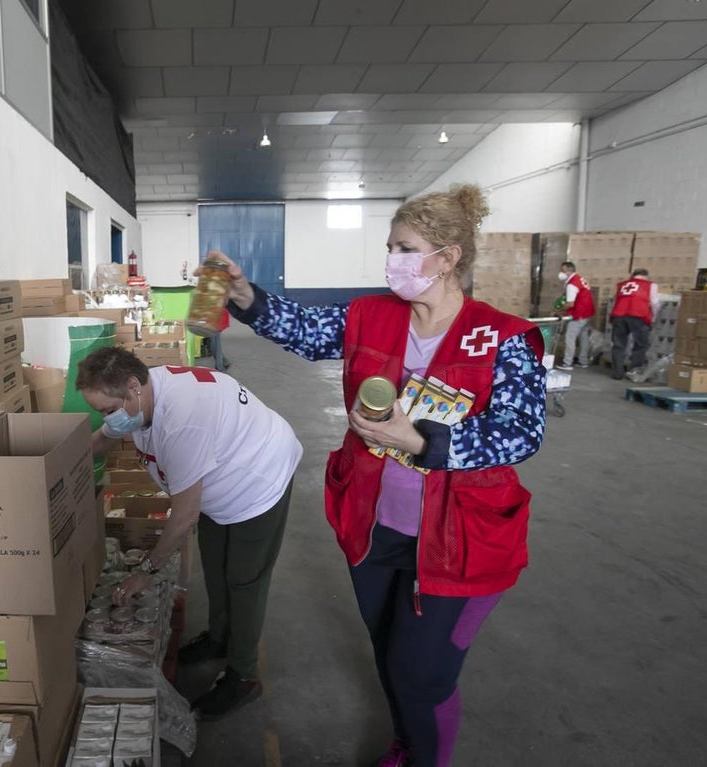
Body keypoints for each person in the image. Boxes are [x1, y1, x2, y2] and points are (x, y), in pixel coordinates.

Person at [211, 184, 546, 767]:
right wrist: (245, 296)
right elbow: (309, 331)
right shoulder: (371, 315)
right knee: (389, 651)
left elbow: (522, 431)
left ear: (449, 257)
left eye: (405, 248)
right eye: (390, 247)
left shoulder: (503, 336)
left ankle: (426, 757)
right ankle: (408, 741)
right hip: (374, 526)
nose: (391, 260)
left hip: (458, 539)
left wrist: (420, 441)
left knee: (422, 676)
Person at [75, 346, 302, 719]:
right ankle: (218, 639)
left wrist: (145, 571)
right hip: (219, 477)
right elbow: (103, 438)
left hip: (258, 478)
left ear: (133, 386)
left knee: (243, 582)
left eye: (108, 410)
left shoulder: (182, 421)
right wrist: (58, 465)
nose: (107, 420)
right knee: (215, 567)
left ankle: (243, 675)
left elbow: (183, 517)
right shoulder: (143, 393)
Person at [609, 268, 660, 380]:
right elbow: (655, 303)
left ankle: (617, 372)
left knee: (618, 344)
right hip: (638, 315)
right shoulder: (650, 285)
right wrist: (653, 318)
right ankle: (634, 371)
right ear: (645, 276)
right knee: (640, 345)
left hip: (619, 315)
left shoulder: (621, 285)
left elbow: (615, 300)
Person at [555, 261, 595, 370]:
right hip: (587, 313)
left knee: (570, 337)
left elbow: (570, 303)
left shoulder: (572, 284)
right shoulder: (580, 279)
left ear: (568, 271)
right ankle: (583, 361)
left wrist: (560, 311)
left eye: (563, 271)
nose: (561, 273)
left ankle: (567, 363)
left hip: (579, 314)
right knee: (583, 337)